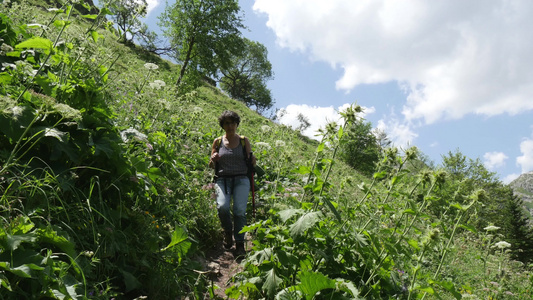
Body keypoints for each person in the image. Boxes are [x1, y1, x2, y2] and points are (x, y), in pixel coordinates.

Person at [209, 110, 256, 256]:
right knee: (222, 207)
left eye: (232, 123)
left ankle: (240, 243)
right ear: (222, 125)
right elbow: (211, 165)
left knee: (239, 210)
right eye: (226, 123)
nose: (230, 126)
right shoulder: (217, 142)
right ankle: (228, 232)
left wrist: (253, 159)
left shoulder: (243, 140)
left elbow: (251, 160)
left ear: (237, 124)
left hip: (241, 179)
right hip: (222, 179)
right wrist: (213, 158)